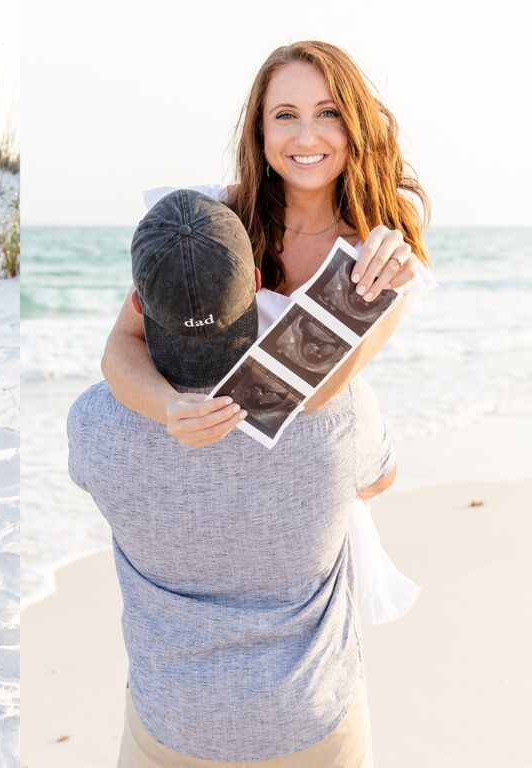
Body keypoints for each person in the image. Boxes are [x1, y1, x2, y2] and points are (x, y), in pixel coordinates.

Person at [68, 188, 395, 767]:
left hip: (173, 723)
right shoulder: (339, 410)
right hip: (313, 720)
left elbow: (112, 391)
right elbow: (378, 480)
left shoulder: (95, 423)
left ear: (138, 303)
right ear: (258, 289)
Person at [102, 41, 434, 445]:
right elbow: (123, 343)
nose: (306, 137)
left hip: (309, 465)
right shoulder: (214, 220)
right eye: (285, 115)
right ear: (260, 130)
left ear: (356, 124)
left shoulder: (380, 257)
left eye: (328, 113)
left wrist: (379, 298)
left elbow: (310, 400)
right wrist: (169, 406)